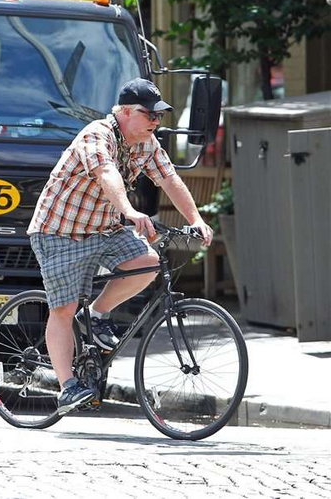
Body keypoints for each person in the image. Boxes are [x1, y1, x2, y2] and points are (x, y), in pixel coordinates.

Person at [27, 78, 213, 414]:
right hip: (59, 231)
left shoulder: (146, 142)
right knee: (64, 309)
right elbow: (106, 173)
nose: (156, 122)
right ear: (125, 111)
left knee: (148, 261)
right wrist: (128, 210)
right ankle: (68, 386)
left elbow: (169, 178)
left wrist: (196, 218)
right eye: (149, 115)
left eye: (160, 117)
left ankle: (97, 314)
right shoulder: (96, 135)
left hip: (102, 227)